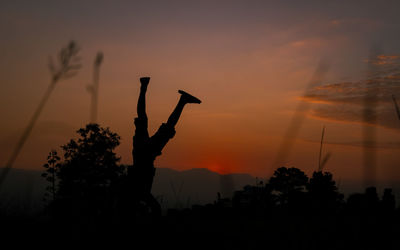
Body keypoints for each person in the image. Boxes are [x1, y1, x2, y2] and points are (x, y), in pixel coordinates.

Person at [128, 76, 201, 217]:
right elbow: (152, 204)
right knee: (147, 120)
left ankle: (181, 101)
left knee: (150, 121)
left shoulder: (136, 194)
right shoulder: (137, 194)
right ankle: (178, 100)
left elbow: (153, 205)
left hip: (145, 154)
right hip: (143, 153)